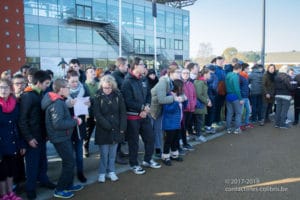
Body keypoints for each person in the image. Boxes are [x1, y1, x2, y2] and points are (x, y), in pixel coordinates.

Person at [42, 79, 84, 199]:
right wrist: (75, 121)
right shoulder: (57, 103)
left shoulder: (58, 100)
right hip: (60, 137)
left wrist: (71, 118)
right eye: (67, 87)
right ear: (61, 89)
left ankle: (68, 185)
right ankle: (60, 189)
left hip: (62, 136)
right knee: (69, 162)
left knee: (69, 161)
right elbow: (58, 124)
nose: (69, 89)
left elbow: (60, 119)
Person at [18, 70, 55, 200]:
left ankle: (44, 180)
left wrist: (46, 134)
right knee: (32, 165)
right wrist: (29, 138)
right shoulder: (28, 96)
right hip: (32, 138)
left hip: (41, 136)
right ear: (38, 83)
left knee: (42, 161)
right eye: (46, 83)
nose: (47, 86)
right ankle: (30, 188)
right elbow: (22, 120)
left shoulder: (40, 93)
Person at [122, 57, 161, 175]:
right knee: (133, 142)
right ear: (135, 66)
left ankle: (147, 160)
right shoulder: (127, 82)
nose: (145, 67)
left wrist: (147, 106)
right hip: (132, 118)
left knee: (150, 138)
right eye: (142, 65)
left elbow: (148, 95)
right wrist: (142, 108)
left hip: (144, 116)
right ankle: (134, 164)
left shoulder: (144, 79)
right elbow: (127, 101)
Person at [93, 75, 127, 183]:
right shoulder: (97, 96)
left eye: (109, 87)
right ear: (101, 87)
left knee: (112, 154)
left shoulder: (118, 95)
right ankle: (102, 173)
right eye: (105, 88)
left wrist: (122, 128)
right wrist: (108, 126)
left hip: (116, 129)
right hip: (103, 129)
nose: (107, 90)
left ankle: (111, 171)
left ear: (112, 86)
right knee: (104, 154)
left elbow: (122, 112)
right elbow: (97, 114)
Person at [150, 62, 182, 158]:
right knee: (152, 133)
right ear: (171, 73)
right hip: (153, 111)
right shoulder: (164, 81)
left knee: (158, 132)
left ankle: (160, 151)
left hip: (160, 110)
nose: (179, 74)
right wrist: (175, 99)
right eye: (178, 72)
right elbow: (162, 99)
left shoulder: (170, 82)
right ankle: (152, 155)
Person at [0, 79, 25, 200]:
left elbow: (17, 126)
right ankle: (3, 195)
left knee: (11, 171)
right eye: (0, 87)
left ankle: (11, 193)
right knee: (1, 172)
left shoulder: (15, 104)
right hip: (1, 144)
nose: (3, 90)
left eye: (5, 87)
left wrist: (21, 144)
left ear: (10, 89)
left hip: (13, 143)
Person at [65, 70, 90, 183]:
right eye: (72, 81)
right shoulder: (63, 92)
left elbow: (90, 101)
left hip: (80, 126)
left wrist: (89, 104)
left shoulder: (84, 89)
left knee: (79, 154)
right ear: (67, 80)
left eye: (77, 81)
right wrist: (68, 105)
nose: (75, 83)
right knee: (69, 155)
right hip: (67, 128)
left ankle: (80, 173)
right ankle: (69, 174)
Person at [161, 79, 187, 166]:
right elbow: (168, 110)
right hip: (169, 123)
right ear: (177, 87)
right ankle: (165, 157)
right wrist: (177, 101)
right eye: (181, 87)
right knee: (168, 140)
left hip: (177, 123)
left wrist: (185, 100)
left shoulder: (179, 95)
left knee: (176, 140)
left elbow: (184, 107)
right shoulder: (168, 95)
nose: (182, 89)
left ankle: (174, 155)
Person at [111, 57, 129, 165]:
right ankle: (116, 156)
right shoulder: (114, 77)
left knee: (121, 133)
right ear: (120, 66)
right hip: (117, 110)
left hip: (122, 108)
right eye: (126, 65)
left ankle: (119, 152)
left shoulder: (123, 75)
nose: (127, 67)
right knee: (117, 133)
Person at [83, 67, 98, 158]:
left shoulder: (99, 84)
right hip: (89, 113)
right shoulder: (84, 85)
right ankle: (85, 147)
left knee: (101, 131)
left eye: (94, 71)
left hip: (98, 111)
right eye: (91, 71)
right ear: (87, 74)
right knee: (88, 131)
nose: (93, 73)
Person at [194, 67, 212, 141]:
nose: (210, 75)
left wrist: (208, 100)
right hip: (199, 105)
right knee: (199, 121)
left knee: (200, 120)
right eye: (209, 73)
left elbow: (204, 93)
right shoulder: (200, 82)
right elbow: (198, 95)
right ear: (205, 74)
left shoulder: (203, 81)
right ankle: (198, 135)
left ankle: (198, 134)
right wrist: (207, 101)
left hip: (201, 104)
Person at [180, 68, 196, 151]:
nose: (186, 74)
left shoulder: (191, 84)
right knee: (182, 127)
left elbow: (194, 96)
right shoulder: (179, 84)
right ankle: (183, 143)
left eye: (187, 73)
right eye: (184, 73)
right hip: (183, 110)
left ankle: (185, 142)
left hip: (190, 109)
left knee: (185, 126)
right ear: (181, 74)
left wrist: (193, 104)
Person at [225, 64, 244, 134]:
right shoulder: (236, 76)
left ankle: (228, 128)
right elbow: (237, 89)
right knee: (238, 113)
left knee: (229, 113)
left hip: (228, 95)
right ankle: (237, 129)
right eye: (241, 69)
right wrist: (240, 99)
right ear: (239, 69)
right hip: (235, 96)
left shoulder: (228, 74)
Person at [239, 63, 253, 130]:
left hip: (246, 96)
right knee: (240, 112)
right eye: (248, 68)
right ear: (244, 68)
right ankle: (239, 125)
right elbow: (239, 87)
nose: (249, 69)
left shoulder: (246, 76)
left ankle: (246, 123)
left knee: (248, 110)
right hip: (242, 96)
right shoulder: (241, 76)